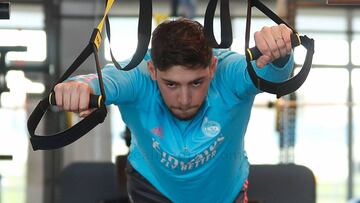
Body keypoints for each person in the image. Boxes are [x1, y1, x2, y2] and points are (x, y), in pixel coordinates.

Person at [54, 18, 294, 203]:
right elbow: (103, 81)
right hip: (153, 189)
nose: (184, 98)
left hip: (224, 194)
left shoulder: (227, 73)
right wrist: (79, 88)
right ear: (152, 70)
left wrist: (279, 55)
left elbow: (270, 74)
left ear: (212, 67)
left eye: (196, 82)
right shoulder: (137, 77)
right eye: (171, 84)